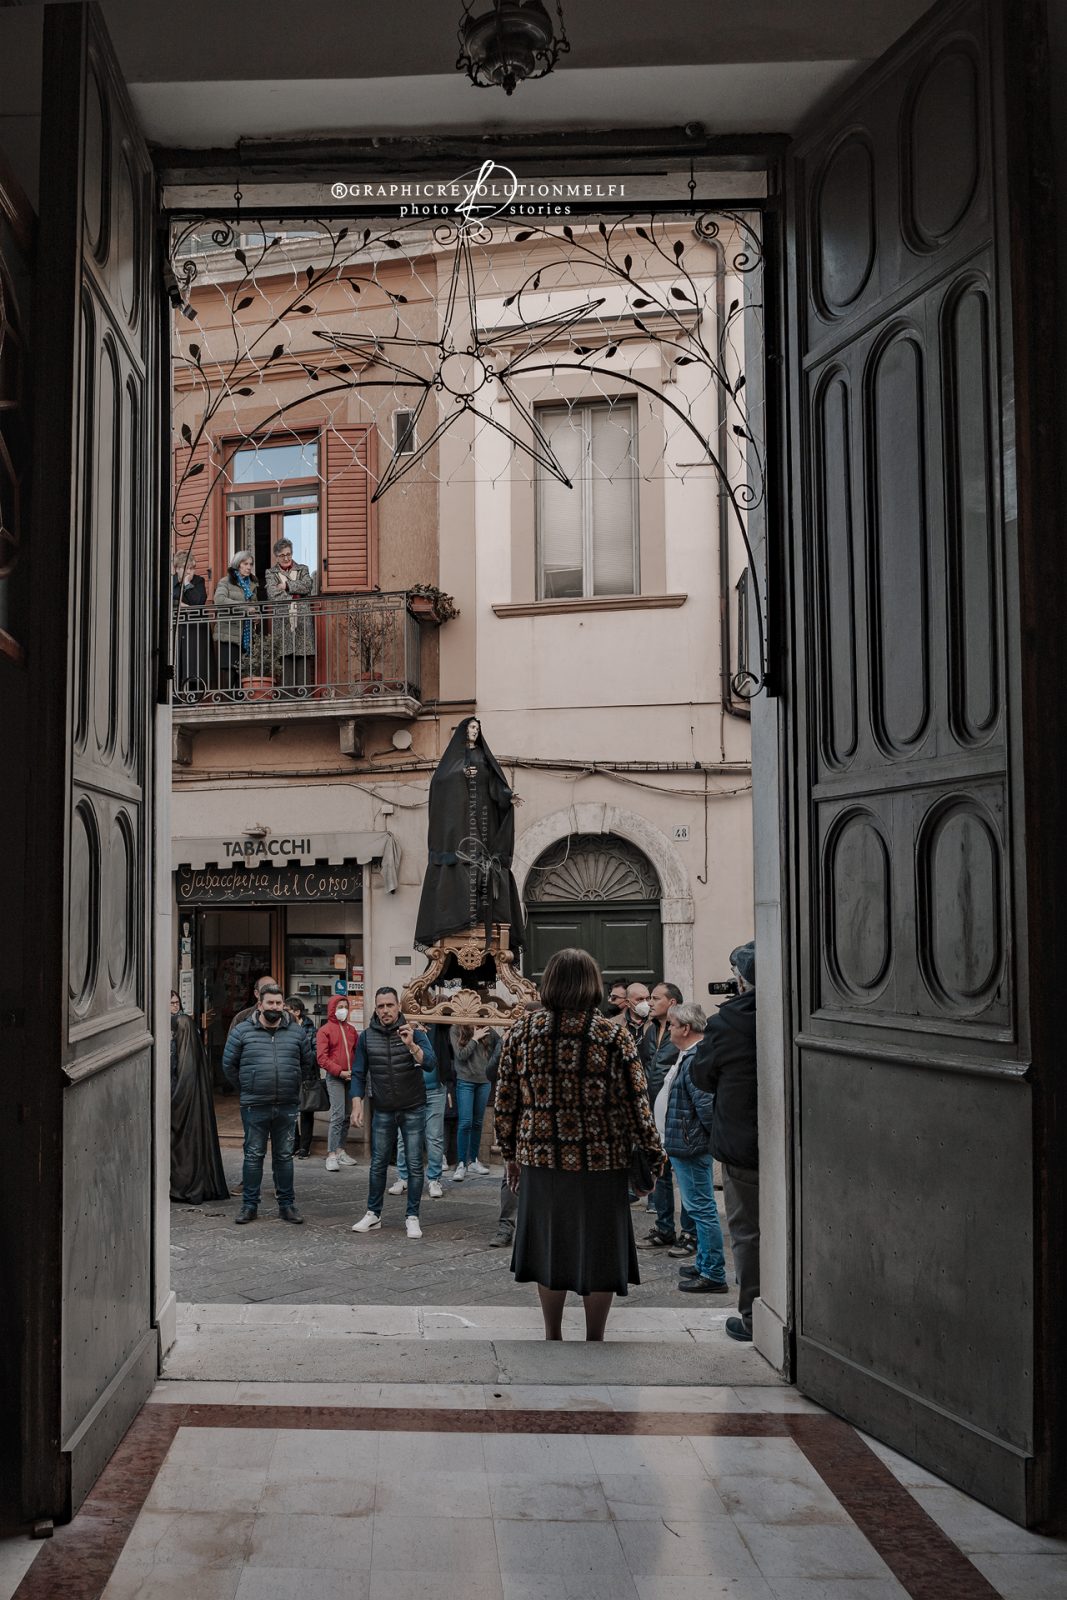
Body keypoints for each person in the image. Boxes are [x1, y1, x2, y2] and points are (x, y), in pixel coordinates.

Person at [494, 948, 665, 1341]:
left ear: (549, 982)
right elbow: (637, 1104)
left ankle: (552, 1332)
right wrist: (653, 1158)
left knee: (550, 1246)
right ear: (594, 984)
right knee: (601, 1250)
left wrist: (510, 1156)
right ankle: (595, 1336)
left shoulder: (522, 1031)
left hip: (540, 1157)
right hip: (602, 1161)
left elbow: (505, 1103)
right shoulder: (613, 1035)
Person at [692, 940, 759, 1342]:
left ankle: (753, 1317)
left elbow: (703, 1076)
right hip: (803, 1142)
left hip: (743, 1142)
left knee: (748, 1232)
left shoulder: (729, 1022)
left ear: (742, 980)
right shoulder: (799, 1007)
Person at [414, 718, 525, 956]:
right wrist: (462, 775)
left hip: (483, 823)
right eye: (471, 728)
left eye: (477, 728)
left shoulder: (485, 759)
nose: (474, 731)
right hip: (458, 825)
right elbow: (441, 785)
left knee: (482, 860)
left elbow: (496, 785)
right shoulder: (450, 763)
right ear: (463, 731)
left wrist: (508, 796)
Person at [222, 983, 316, 1225]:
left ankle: (287, 1205)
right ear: (260, 1004)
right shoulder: (242, 1031)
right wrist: (247, 1086)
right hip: (254, 1105)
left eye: (278, 1003)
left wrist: (293, 1083)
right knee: (253, 1155)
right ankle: (249, 1206)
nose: (274, 1007)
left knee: (284, 1156)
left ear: (283, 1004)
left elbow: (308, 1062)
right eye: (270, 1003)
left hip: (286, 1104)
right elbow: (228, 1065)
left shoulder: (296, 1032)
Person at [350, 987, 436, 1239]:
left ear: (398, 1006)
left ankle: (412, 1216)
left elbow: (431, 1063)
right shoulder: (366, 1037)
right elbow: (358, 1072)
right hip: (384, 1109)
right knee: (377, 1164)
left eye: (389, 1005)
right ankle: (373, 1214)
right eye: (380, 1006)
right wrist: (357, 1103)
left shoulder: (415, 1032)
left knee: (413, 1164)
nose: (385, 1010)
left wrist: (412, 1046)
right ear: (375, 1009)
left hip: (413, 1107)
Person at [657, 1002, 728, 1294]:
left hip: (691, 1146)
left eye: (672, 1025)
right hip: (683, 1144)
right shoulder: (687, 1055)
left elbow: (706, 1107)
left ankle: (713, 1272)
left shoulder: (696, 1057)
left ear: (685, 1028)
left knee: (702, 1209)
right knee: (698, 1207)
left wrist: (702, 1141)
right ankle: (703, 1263)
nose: (669, 1029)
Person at [637, 981, 692, 1249]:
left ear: (671, 1003)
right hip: (653, 1111)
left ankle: (690, 1233)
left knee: (684, 1175)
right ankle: (664, 1228)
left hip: (678, 1113)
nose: (649, 1002)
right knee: (660, 1171)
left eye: (655, 998)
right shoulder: (650, 1032)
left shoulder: (684, 1029)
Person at [171, 991, 229, 1205]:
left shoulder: (183, 1025)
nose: (174, 1007)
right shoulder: (179, 1027)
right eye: (170, 1003)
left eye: (177, 1003)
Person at [392, 1018, 451, 1201]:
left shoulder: (437, 1031)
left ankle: (434, 1179)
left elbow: (448, 1018)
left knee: (434, 1136)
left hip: (435, 1090)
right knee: (403, 1137)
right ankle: (403, 1177)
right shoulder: (403, 1032)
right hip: (410, 1090)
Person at [449, 1023, 501, 1181]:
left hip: (484, 1081)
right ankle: (461, 1163)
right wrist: (475, 1038)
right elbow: (461, 1055)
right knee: (465, 1122)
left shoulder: (489, 1030)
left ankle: (473, 1160)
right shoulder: (456, 1029)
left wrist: (490, 1067)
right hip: (465, 1080)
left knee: (478, 1122)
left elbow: (499, 1048)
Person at [264, 536, 315, 690]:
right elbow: (272, 594)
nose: (286, 558)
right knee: (285, 659)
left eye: (288, 554)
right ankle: (287, 697)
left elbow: (307, 586)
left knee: (303, 657)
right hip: (283, 621)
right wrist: (295, 595)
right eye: (282, 555)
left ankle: (304, 697)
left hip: (302, 621)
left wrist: (286, 585)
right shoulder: (270, 573)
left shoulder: (303, 569)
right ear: (276, 557)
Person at [316, 993, 359, 1171]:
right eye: (339, 1007)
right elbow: (321, 1058)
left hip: (351, 1077)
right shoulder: (324, 1030)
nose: (343, 1010)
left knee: (347, 1117)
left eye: (345, 1007)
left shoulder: (351, 1030)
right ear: (332, 1009)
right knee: (338, 1116)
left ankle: (341, 1150)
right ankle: (331, 1154)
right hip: (335, 1078)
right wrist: (339, 1072)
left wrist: (354, 1072)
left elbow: (356, 1053)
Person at [288, 996, 328, 1160]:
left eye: (287, 1010)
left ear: (297, 1012)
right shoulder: (284, 1028)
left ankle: (305, 1147)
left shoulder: (311, 1029)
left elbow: (315, 1053)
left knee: (306, 1112)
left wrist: (298, 1056)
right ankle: (293, 1145)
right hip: (289, 1076)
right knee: (289, 1112)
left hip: (308, 1075)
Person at [212, 549, 258, 691]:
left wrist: (256, 616)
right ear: (238, 565)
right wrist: (244, 608)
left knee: (243, 672)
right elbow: (219, 600)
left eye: (250, 564)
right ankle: (227, 703)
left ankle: (240, 701)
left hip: (246, 634)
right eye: (245, 564)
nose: (249, 567)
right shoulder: (225, 581)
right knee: (229, 671)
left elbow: (254, 606)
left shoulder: (252, 584)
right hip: (228, 634)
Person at [172, 550, 210, 692]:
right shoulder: (170, 582)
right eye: (186, 568)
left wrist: (187, 585)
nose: (190, 572)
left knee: (194, 666)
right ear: (177, 569)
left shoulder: (198, 581)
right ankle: (176, 696)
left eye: (192, 568)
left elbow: (199, 601)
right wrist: (179, 604)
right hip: (176, 631)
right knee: (176, 664)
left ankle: (194, 696)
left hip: (194, 631)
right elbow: (165, 601)